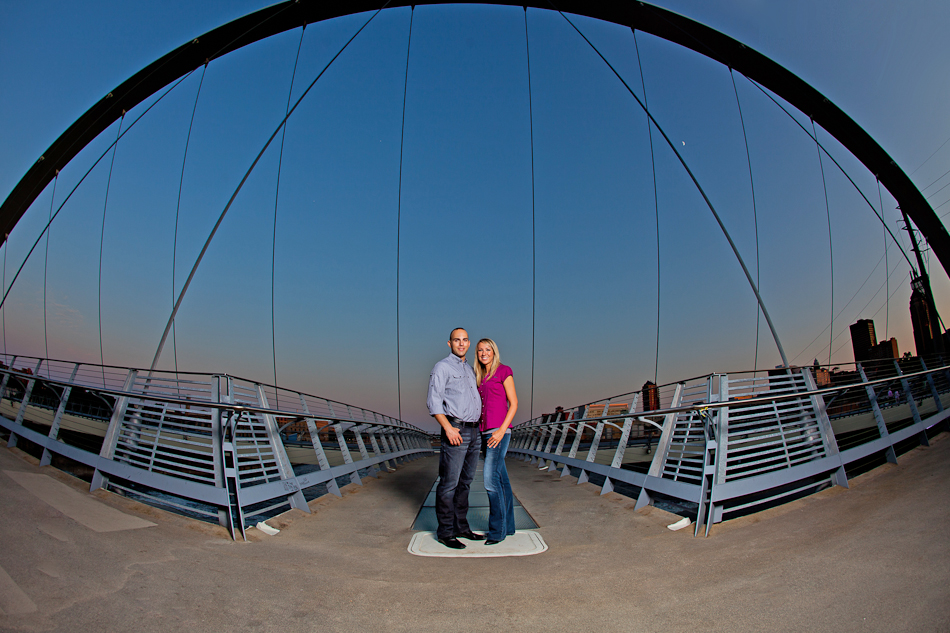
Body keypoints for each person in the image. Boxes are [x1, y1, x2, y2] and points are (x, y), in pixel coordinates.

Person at [426, 327, 486, 549]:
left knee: (466, 483)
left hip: (474, 432)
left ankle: (462, 527)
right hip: (456, 430)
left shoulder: (470, 369)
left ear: (469, 343)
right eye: (456, 340)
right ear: (449, 343)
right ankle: (446, 533)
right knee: (449, 484)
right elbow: (433, 402)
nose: (461, 344)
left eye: (465, 340)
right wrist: (448, 428)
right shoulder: (442, 367)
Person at [475, 338, 518, 545]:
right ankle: (508, 527)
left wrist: (502, 430)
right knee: (502, 481)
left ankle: (496, 532)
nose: (484, 353)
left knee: (490, 482)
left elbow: (514, 403)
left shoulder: (503, 370)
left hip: (498, 433)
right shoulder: (480, 376)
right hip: (484, 433)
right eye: (480, 350)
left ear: (494, 352)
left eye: (487, 349)